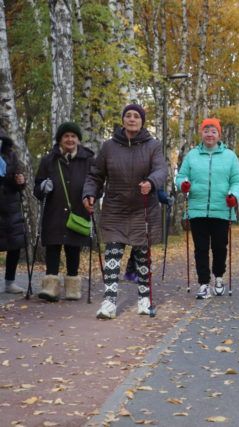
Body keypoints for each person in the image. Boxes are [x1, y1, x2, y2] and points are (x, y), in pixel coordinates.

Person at [83, 104, 167, 319]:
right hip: (115, 208)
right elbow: (95, 175)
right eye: (128, 116)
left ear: (142, 121)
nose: (131, 119)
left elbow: (161, 170)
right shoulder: (109, 147)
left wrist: (151, 181)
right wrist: (90, 193)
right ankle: (109, 302)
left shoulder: (153, 145)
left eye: (136, 116)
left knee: (141, 256)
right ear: (123, 121)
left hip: (143, 208)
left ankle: (144, 298)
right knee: (113, 253)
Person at [176, 118, 239, 299]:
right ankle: (204, 283)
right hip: (197, 209)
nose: (209, 134)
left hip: (222, 209)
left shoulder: (230, 156)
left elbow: (238, 181)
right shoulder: (192, 155)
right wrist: (183, 184)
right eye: (206, 130)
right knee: (201, 248)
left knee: (220, 247)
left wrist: (234, 196)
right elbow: (181, 176)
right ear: (201, 134)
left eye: (213, 131)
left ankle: (219, 277)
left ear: (219, 135)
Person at [34, 122, 94, 301]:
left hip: (78, 211)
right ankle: (51, 287)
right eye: (66, 136)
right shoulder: (48, 160)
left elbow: (96, 183)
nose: (70, 139)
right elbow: (37, 187)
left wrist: (92, 194)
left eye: (73, 136)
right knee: (53, 247)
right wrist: (42, 187)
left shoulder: (88, 160)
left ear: (78, 139)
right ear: (60, 139)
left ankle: (72, 288)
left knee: (73, 248)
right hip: (54, 212)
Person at [123, 189, 173, 283]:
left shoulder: (155, 175)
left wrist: (167, 198)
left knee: (143, 244)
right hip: (136, 212)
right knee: (140, 244)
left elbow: (158, 191)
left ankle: (133, 272)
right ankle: (134, 272)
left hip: (150, 214)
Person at [0, 128, 26, 294]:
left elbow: (18, 178)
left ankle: (10, 282)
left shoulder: (10, 154)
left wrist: (21, 180)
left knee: (14, 243)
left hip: (10, 205)